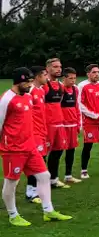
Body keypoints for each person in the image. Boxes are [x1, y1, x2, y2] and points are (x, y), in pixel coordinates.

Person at [3, 68, 72, 226]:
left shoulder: (28, 97)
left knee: (44, 176)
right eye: (27, 82)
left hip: (30, 146)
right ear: (18, 82)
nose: (29, 84)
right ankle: (13, 215)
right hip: (13, 149)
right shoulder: (7, 99)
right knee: (11, 182)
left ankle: (48, 211)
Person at [42, 57, 71, 189]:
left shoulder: (60, 86)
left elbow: (58, 104)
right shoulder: (43, 86)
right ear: (47, 69)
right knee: (43, 154)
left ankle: (53, 179)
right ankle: (40, 182)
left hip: (59, 124)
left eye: (59, 66)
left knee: (58, 152)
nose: (58, 69)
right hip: (47, 125)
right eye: (55, 67)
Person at [25, 66, 49, 203]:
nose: (47, 77)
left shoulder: (41, 91)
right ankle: (31, 192)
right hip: (34, 132)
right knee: (36, 161)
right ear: (38, 77)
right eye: (45, 75)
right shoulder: (31, 90)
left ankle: (36, 189)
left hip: (41, 131)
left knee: (41, 160)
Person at [57, 67, 82, 184]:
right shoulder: (60, 89)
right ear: (64, 78)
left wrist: (78, 124)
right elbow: (56, 107)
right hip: (63, 125)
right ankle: (54, 177)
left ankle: (68, 175)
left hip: (73, 125)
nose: (73, 81)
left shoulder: (75, 89)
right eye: (70, 78)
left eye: (74, 78)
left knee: (71, 150)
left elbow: (77, 107)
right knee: (59, 151)